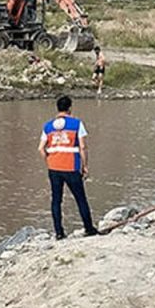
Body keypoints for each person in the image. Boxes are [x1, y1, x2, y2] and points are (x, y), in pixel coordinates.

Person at [38, 95, 99, 240]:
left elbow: (41, 148)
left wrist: (49, 161)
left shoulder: (48, 126)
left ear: (57, 108)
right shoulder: (77, 124)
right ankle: (89, 228)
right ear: (70, 108)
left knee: (56, 200)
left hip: (54, 168)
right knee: (80, 198)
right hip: (71, 167)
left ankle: (59, 233)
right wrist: (85, 166)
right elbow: (83, 146)